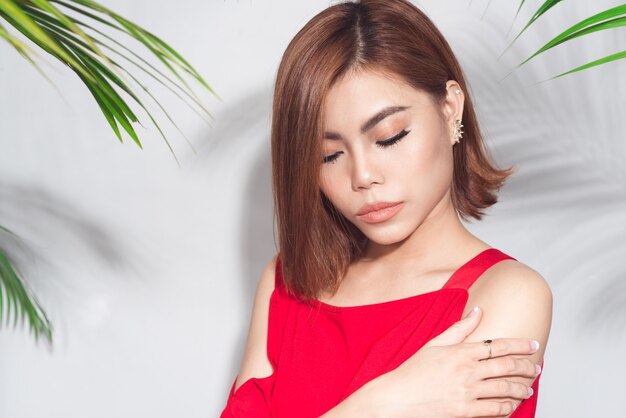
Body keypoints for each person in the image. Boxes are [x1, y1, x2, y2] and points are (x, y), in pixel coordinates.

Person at [220, 0, 552, 416]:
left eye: (390, 136)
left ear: (451, 109)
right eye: (328, 155)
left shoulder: (506, 293)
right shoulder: (286, 282)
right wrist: (385, 402)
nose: (363, 176)